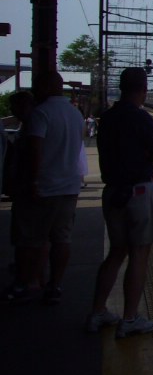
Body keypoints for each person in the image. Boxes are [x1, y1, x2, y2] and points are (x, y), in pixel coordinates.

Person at [87, 67, 153, 338]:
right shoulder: (140, 117)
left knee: (116, 252)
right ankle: (130, 318)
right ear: (143, 90)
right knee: (139, 254)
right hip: (138, 191)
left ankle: (97, 311)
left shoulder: (107, 117)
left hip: (112, 192)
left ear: (121, 88)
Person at [24, 71, 84, 304]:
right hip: (70, 185)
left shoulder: (41, 113)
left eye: (37, 84)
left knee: (36, 239)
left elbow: (34, 150)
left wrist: (32, 181)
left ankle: (32, 281)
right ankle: (55, 284)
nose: (34, 89)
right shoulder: (75, 113)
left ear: (46, 87)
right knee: (62, 238)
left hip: (45, 185)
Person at [3, 91, 38, 301]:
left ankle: (27, 279)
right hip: (29, 188)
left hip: (28, 189)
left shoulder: (33, 127)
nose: (14, 111)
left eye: (17, 106)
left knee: (27, 237)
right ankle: (31, 276)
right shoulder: (28, 126)